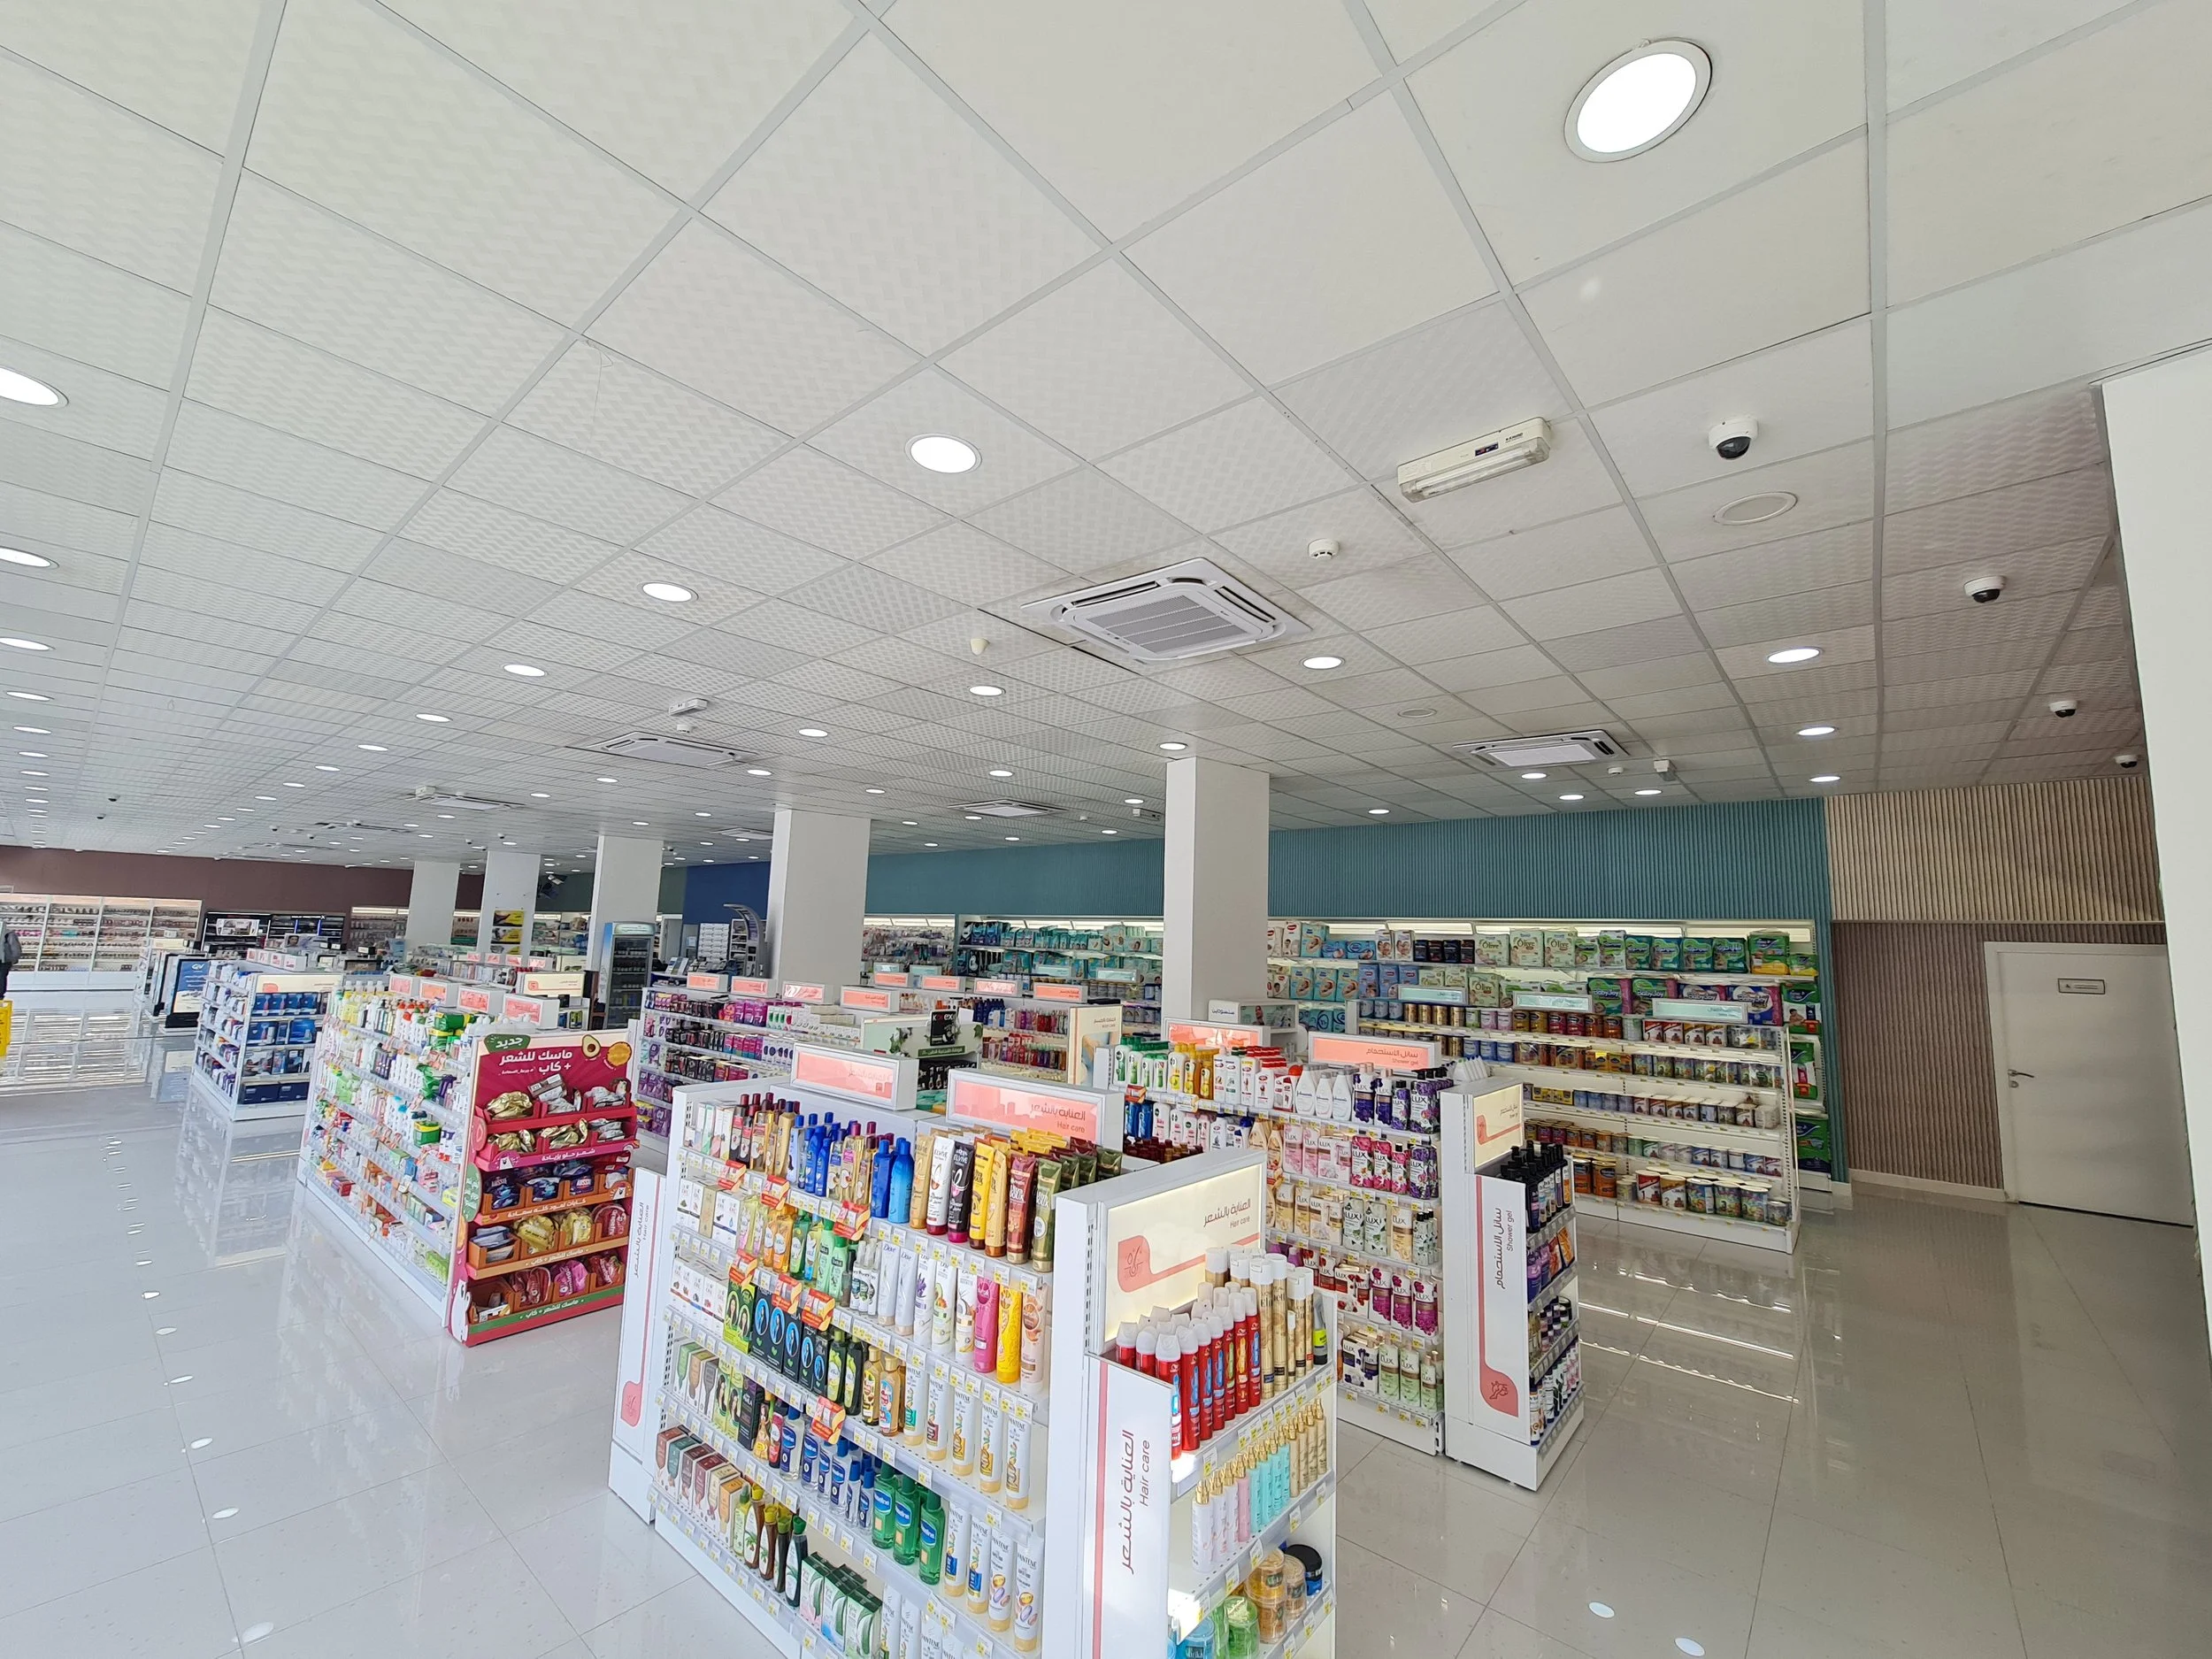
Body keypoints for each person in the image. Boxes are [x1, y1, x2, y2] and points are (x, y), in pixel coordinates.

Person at [0, 925, 19, 1001]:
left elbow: (15, 949)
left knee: (1, 977)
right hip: (6, 960)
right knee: (2, 977)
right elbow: (15, 948)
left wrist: (14, 959)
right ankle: (1, 994)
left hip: (5, 960)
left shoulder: (9, 934)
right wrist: (14, 959)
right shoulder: (10, 934)